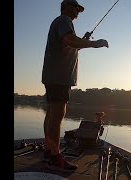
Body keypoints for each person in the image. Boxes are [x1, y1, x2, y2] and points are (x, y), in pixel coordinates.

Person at [41, 0, 109, 172]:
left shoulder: (62, 23)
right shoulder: (64, 20)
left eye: (79, 9)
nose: (78, 11)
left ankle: (49, 151)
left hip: (53, 76)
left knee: (51, 115)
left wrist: (83, 41)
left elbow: (71, 45)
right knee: (56, 116)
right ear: (65, 7)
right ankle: (55, 158)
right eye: (75, 7)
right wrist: (95, 43)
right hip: (59, 77)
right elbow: (71, 41)